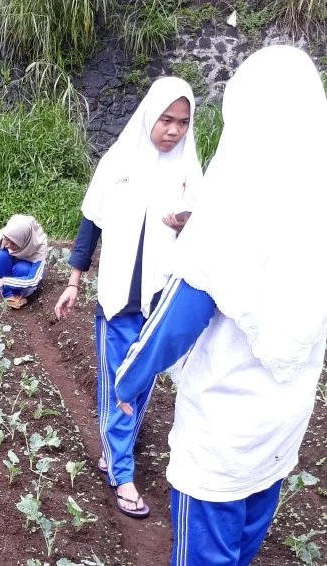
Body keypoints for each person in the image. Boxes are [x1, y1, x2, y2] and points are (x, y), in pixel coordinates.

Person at [115, 45, 327, 564]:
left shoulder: (232, 204)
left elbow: (176, 321)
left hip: (224, 431)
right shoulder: (316, 203)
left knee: (206, 548)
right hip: (282, 423)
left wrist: (130, 378)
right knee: (248, 534)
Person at [53, 77, 203, 518]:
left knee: (142, 383)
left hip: (160, 302)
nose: (173, 130)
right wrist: (74, 282)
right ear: (148, 117)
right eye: (166, 120)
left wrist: (188, 223)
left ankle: (113, 453)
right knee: (117, 383)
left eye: (182, 122)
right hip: (117, 300)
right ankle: (122, 473)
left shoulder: (189, 174)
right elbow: (90, 225)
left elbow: (209, 233)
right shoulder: (117, 162)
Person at [0, 214, 47, 309]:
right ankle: (6, 293)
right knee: (0, 256)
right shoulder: (6, 234)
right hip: (0, 276)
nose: (8, 245)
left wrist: (4, 281)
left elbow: (33, 279)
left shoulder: (38, 245)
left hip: (23, 283)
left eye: (14, 243)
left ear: (24, 241)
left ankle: (17, 295)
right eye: (7, 240)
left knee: (22, 268)